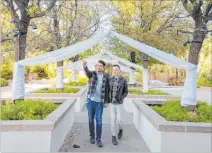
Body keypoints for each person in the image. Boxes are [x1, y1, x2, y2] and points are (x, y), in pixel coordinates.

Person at [82, 59, 109, 147]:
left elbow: (107, 90)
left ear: (103, 68)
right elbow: (87, 72)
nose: (99, 67)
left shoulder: (106, 77)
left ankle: (98, 139)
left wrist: (106, 101)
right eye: (97, 65)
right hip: (90, 101)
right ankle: (92, 136)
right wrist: (85, 66)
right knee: (90, 119)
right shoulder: (92, 74)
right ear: (96, 66)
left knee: (99, 121)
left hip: (99, 103)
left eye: (101, 66)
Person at [109, 64, 128, 145]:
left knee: (119, 119)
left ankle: (121, 129)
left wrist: (121, 98)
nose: (115, 71)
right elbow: (107, 90)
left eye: (116, 69)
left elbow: (126, 91)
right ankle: (113, 137)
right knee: (113, 120)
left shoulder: (123, 80)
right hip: (112, 103)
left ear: (119, 70)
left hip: (119, 103)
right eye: (113, 70)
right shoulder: (110, 79)